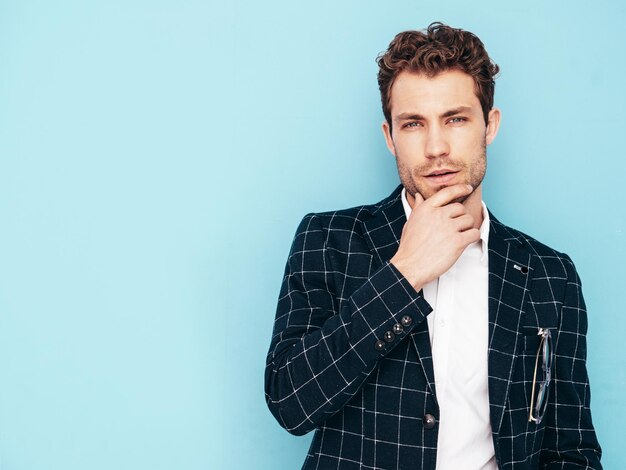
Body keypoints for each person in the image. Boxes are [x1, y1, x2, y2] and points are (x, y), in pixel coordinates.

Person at [264, 22, 602, 469]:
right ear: (390, 137)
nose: (436, 147)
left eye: (456, 119)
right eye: (413, 124)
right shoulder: (329, 239)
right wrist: (404, 274)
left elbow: (571, 448)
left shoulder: (550, 274)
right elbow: (290, 403)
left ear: (490, 125)